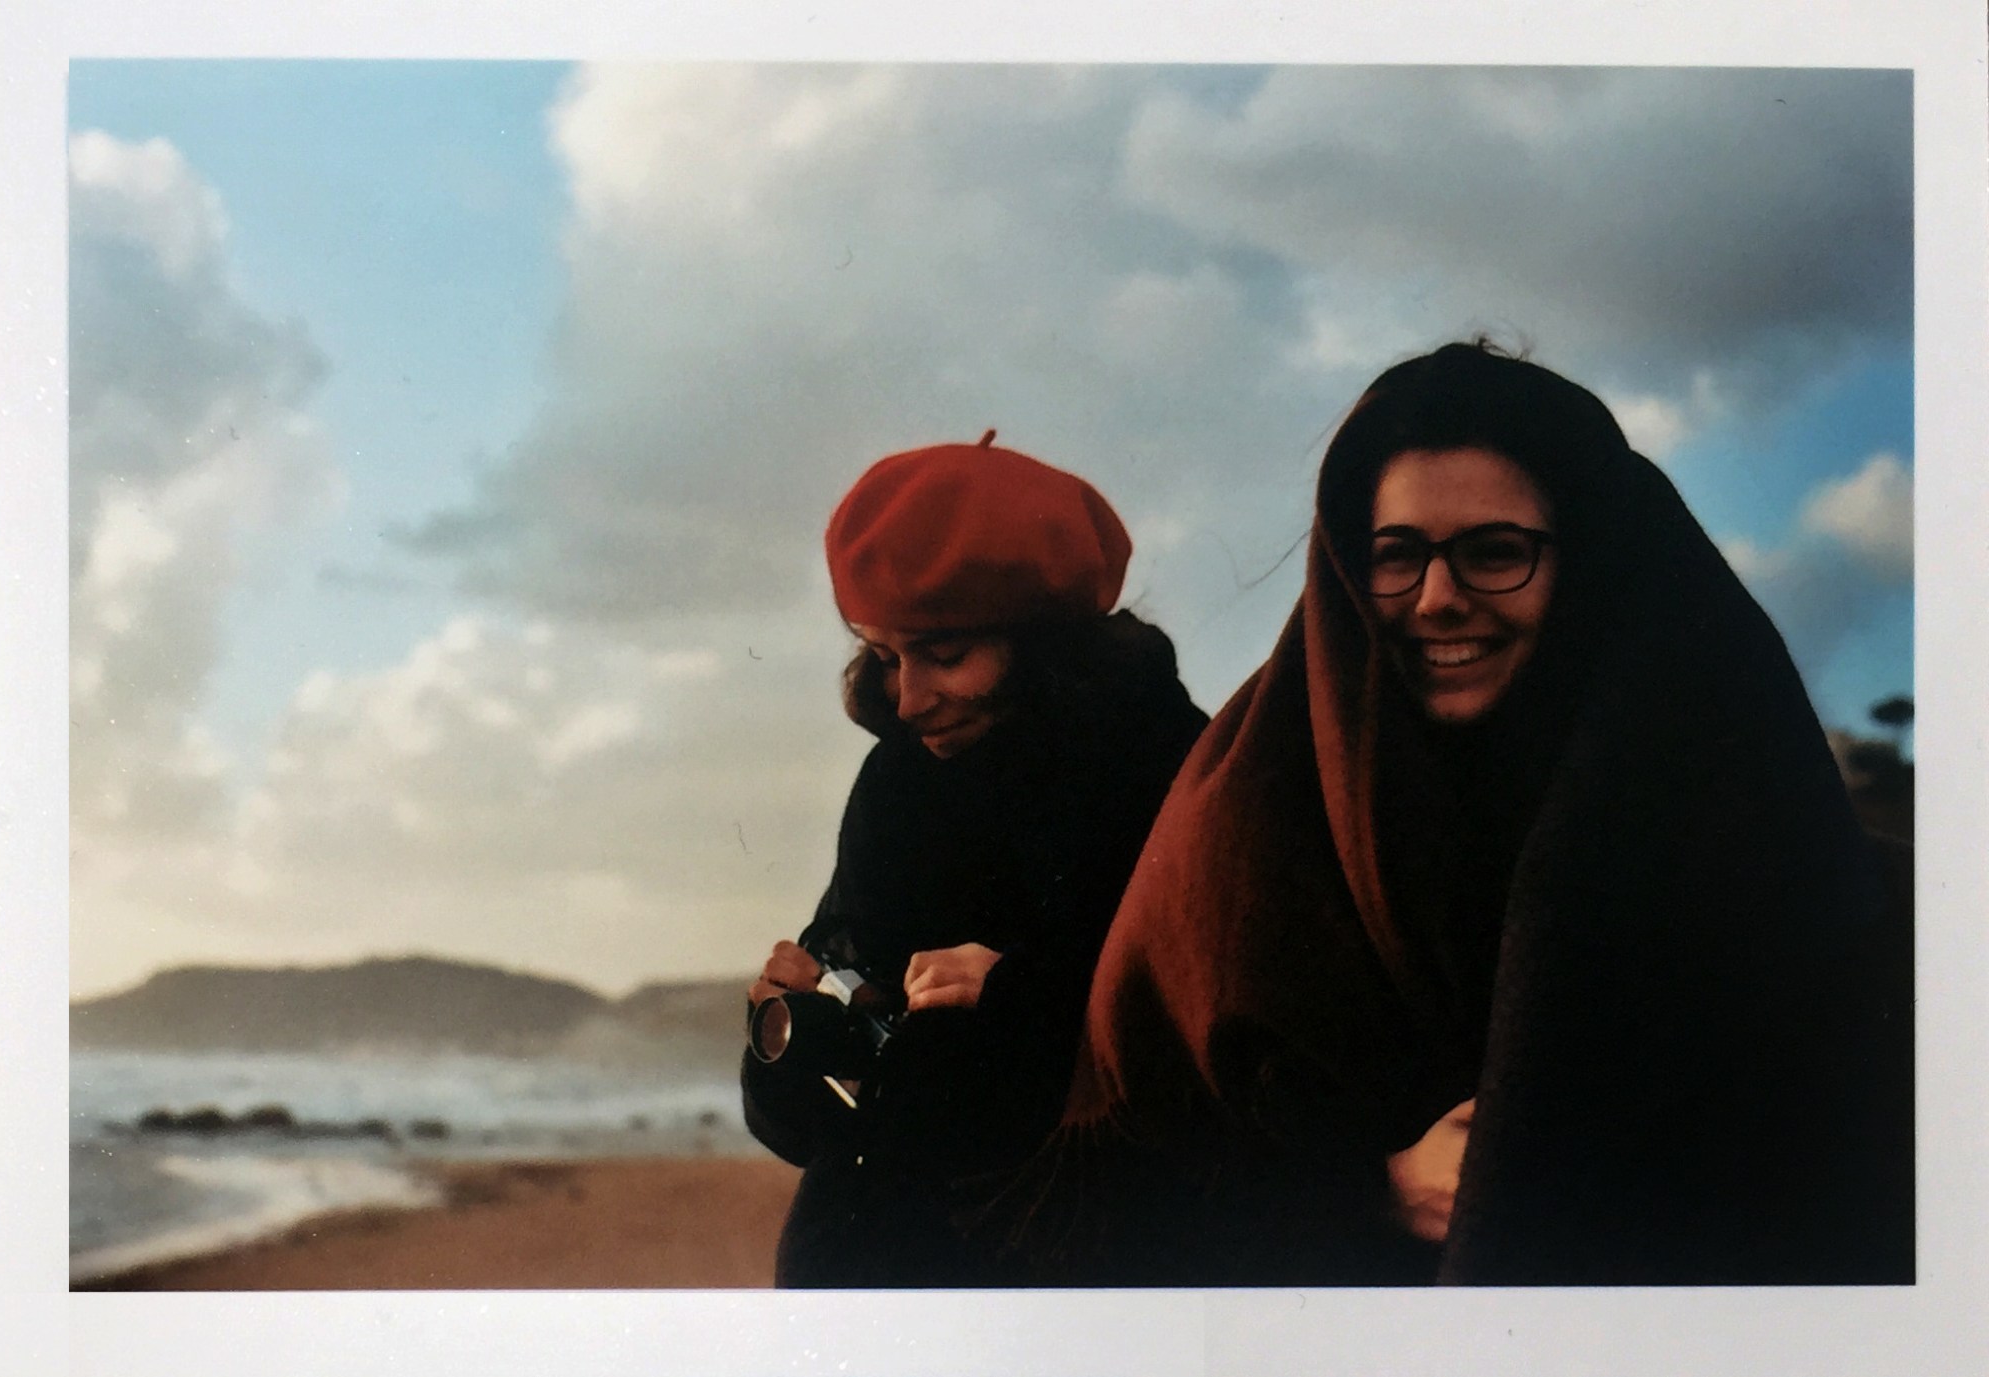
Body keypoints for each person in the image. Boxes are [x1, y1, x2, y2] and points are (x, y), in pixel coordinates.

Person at [997, 342, 1912, 1286]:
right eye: (1395, 558)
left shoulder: (1778, 856)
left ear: (1590, 560)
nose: (1437, 600)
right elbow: (1109, 1193)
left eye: (1494, 553)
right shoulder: (1239, 834)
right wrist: (1367, 1192)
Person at [741, 431, 1208, 1288]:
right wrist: (785, 1035)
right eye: (885, 658)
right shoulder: (898, 782)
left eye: (944, 654)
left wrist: (1019, 999)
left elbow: (1223, 1061)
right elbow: (823, 1124)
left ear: (1048, 645)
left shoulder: (1185, 779)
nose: (907, 700)